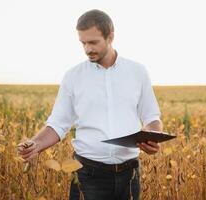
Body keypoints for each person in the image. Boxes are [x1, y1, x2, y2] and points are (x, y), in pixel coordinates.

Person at [17, 9, 163, 200]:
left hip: (130, 175)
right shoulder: (73, 76)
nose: (87, 49)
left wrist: (153, 137)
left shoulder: (138, 72)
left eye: (93, 42)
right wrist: (36, 144)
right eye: (83, 43)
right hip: (87, 174)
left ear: (110, 36)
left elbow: (151, 117)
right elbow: (58, 123)